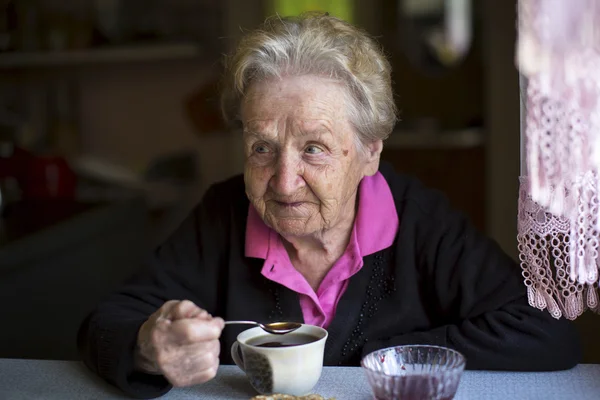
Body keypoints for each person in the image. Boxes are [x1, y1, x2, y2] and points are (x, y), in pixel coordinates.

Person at [78, 12, 581, 399]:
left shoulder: (420, 220)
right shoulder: (224, 213)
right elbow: (106, 322)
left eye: (314, 148)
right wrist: (150, 346)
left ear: (370, 151)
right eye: (262, 147)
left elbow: (545, 331)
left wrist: (389, 356)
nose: (283, 180)